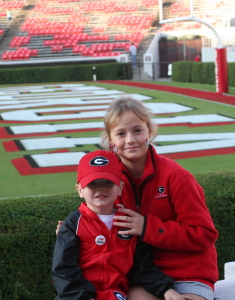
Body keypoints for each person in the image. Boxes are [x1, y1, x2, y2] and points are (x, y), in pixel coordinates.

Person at [101, 96, 219, 300]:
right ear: (111, 141)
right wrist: (73, 228)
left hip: (188, 274)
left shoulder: (177, 177)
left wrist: (147, 227)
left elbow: (205, 234)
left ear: (150, 132)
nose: (130, 140)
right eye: (121, 133)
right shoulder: (108, 181)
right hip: (144, 276)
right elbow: (98, 222)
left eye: (137, 130)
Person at [52, 150, 187, 300]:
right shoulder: (72, 225)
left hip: (116, 295)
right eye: (92, 184)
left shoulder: (130, 222)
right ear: (80, 190)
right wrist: (82, 296)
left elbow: (141, 267)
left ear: (120, 187)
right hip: (78, 296)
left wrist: (165, 290)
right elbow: (63, 270)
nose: (100, 188)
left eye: (108, 182)